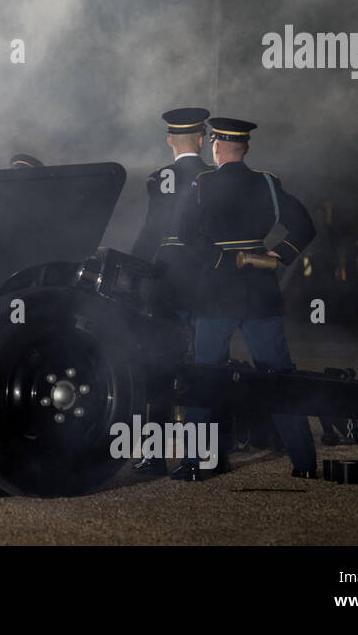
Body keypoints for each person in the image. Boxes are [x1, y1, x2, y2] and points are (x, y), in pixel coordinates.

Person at [172, 117, 318, 481]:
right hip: (259, 290)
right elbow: (305, 227)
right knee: (280, 377)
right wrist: (278, 255)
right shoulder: (268, 183)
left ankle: (196, 463)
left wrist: (220, 259)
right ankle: (305, 463)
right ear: (246, 148)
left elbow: (185, 233)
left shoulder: (203, 183)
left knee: (205, 376)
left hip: (217, 291)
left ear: (217, 147)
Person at [131, 107, 213, 475]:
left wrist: (133, 270)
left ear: (169, 140)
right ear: (201, 139)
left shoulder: (158, 178)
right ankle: (198, 457)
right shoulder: (213, 177)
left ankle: (153, 456)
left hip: (162, 279)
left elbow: (150, 233)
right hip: (203, 279)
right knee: (202, 366)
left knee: (159, 366)